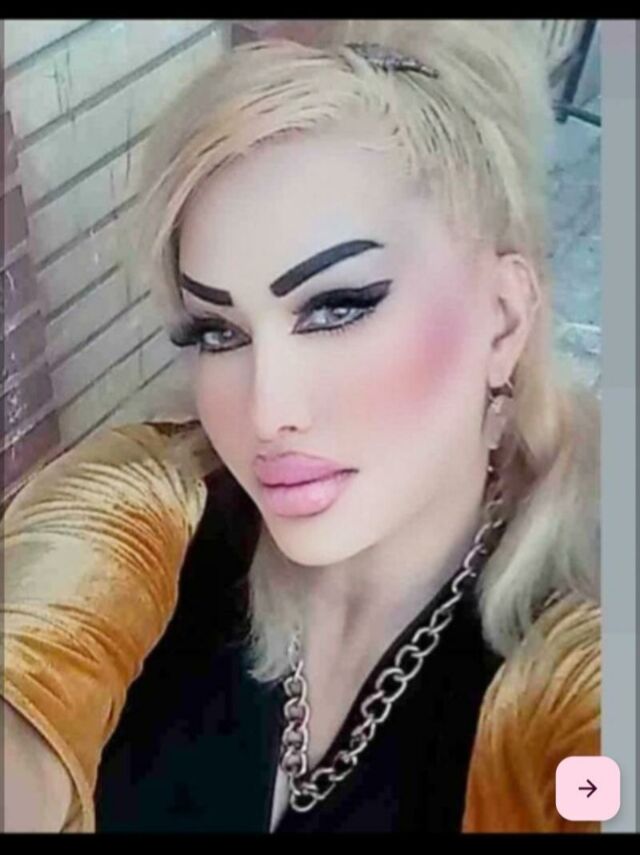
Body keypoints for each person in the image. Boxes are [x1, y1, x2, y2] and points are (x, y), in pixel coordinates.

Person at [2, 20, 600, 833]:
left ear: (503, 318)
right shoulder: (158, 511)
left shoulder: (576, 670)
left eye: (337, 307)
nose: (267, 410)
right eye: (218, 331)